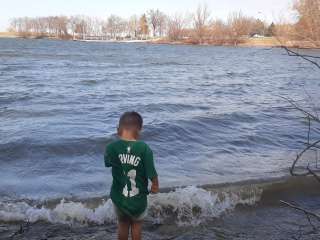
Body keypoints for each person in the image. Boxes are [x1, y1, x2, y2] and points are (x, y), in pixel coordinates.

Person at [104, 111, 159, 240]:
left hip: (119, 199)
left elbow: (107, 163)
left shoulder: (111, 147)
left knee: (122, 225)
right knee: (136, 226)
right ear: (139, 129)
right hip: (138, 200)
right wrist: (155, 185)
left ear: (118, 130)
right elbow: (152, 172)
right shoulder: (144, 149)